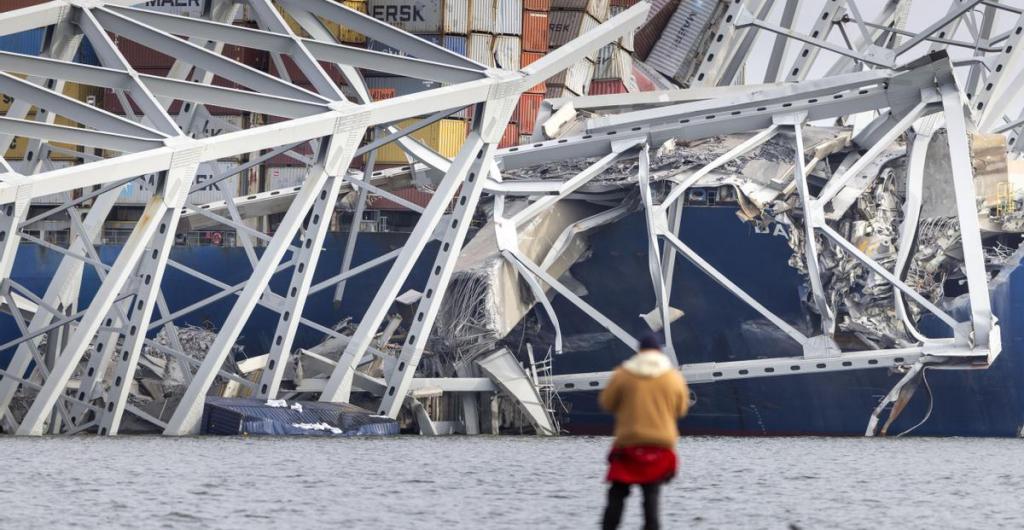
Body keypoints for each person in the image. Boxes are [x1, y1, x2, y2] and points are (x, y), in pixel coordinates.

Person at [599, 335, 690, 530]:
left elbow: (607, 403)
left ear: (639, 352)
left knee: (617, 494)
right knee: (651, 496)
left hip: (628, 444)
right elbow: (681, 409)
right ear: (659, 352)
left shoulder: (623, 374)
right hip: (660, 446)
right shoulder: (673, 378)